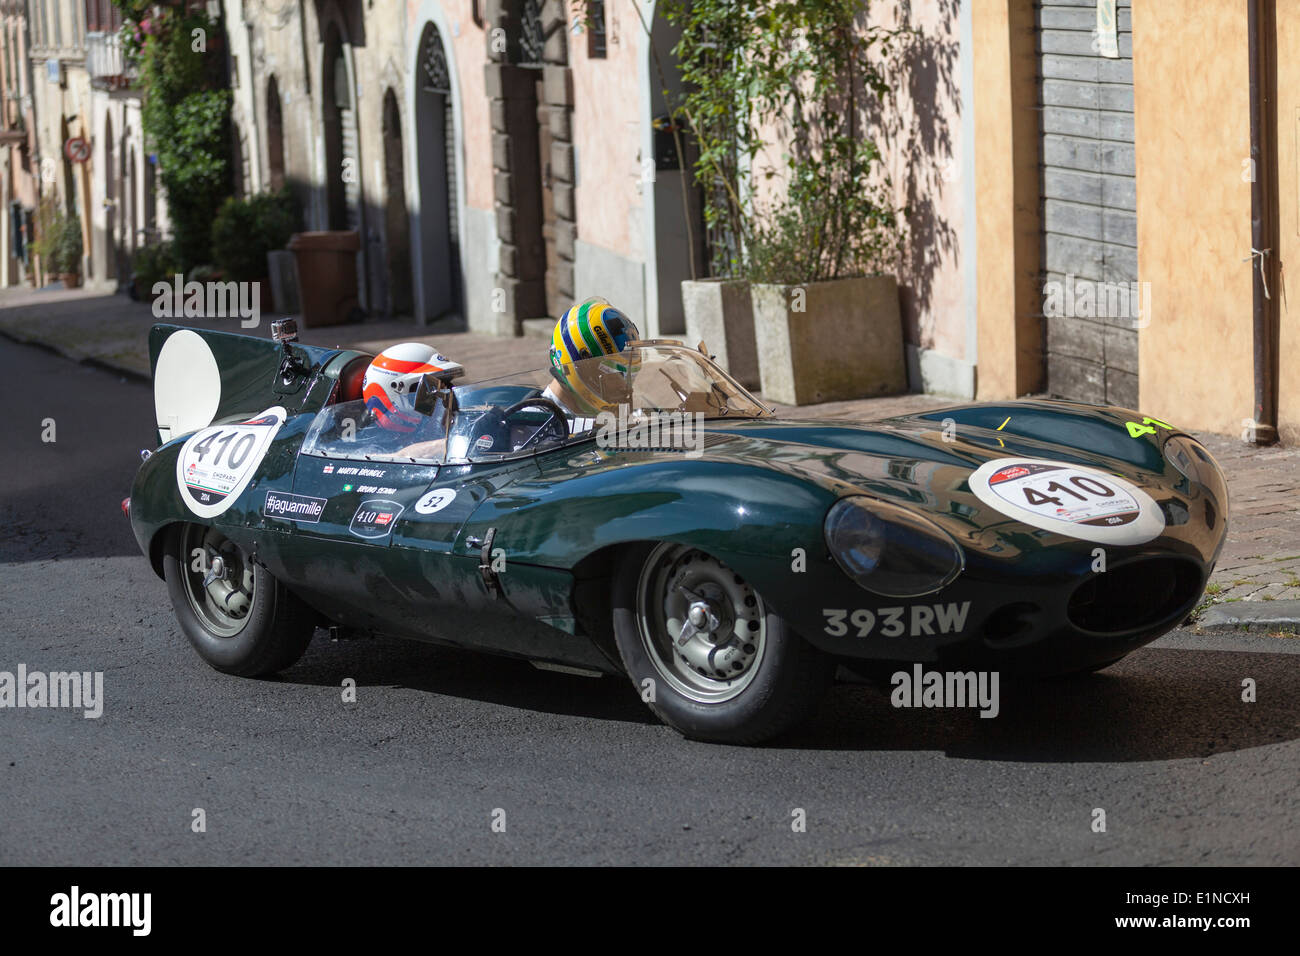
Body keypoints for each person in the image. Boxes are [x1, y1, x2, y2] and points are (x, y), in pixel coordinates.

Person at [543, 297, 641, 429]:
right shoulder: (531, 425)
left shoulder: (608, 417)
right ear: (583, 367)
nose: (624, 386)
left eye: (628, 375)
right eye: (615, 374)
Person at [361, 342, 463, 458]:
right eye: (429, 389)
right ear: (394, 391)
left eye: (445, 389)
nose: (441, 401)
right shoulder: (368, 438)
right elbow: (390, 459)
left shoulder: (431, 428)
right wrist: (454, 443)